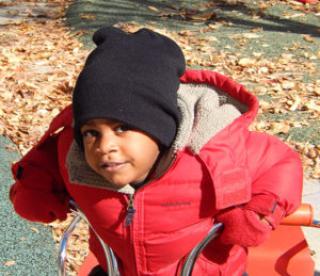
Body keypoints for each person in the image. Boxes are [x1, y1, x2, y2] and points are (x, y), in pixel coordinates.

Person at [9, 26, 303, 276]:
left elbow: (281, 164)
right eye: (91, 132)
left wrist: (261, 210)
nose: (104, 146)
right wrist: (34, 187)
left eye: (122, 127)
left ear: (161, 128)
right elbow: (47, 160)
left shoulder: (213, 151)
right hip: (117, 268)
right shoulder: (75, 156)